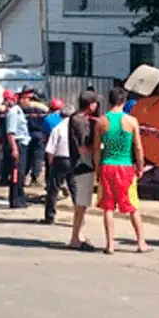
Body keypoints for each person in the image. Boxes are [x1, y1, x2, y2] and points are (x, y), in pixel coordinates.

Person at [93, 87, 149, 255]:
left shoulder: (101, 121)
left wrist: (97, 169)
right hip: (125, 167)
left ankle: (110, 245)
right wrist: (140, 167)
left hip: (107, 165)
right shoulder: (131, 121)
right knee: (132, 206)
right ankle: (141, 243)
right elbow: (138, 147)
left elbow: (97, 149)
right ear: (124, 102)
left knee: (108, 207)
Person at [67, 90, 100, 251]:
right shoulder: (79, 121)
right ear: (90, 104)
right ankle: (75, 237)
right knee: (81, 203)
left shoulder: (78, 118)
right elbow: (83, 145)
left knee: (83, 204)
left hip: (81, 164)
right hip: (82, 164)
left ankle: (78, 234)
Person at [43, 104, 77, 225]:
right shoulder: (76, 129)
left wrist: (51, 163)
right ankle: (79, 217)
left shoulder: (57, 128)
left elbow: (50, 150)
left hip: (60, 160)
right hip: (74, 160)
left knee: (53, 188)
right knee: (74, 189)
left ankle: (50, 216)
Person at [5, 86, 33, 209]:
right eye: (28, 98)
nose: (29, 102)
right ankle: (16, 200)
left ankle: (20, 198)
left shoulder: (20, 111)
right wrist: (14, 149)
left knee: (20, 174)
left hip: (23, 145)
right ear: (21, 98)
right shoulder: (13, 112)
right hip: (18, 145)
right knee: (17, 174)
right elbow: (11, 133)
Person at [23, 92, 49, 187]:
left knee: (27, 156)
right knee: (38, 157)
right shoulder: (44, 108)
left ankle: (25, 176)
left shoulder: (25, 108)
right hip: (40, 134)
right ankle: (35, 177)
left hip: (28, 134)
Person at [0, 90, 16, 185]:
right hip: (4, 136)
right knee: (4, 157)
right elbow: (2, 117)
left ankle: (5, 176)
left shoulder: (8, 107)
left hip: (6, 135)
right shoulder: (3, 107)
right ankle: (3, 177)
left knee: (7, 157)